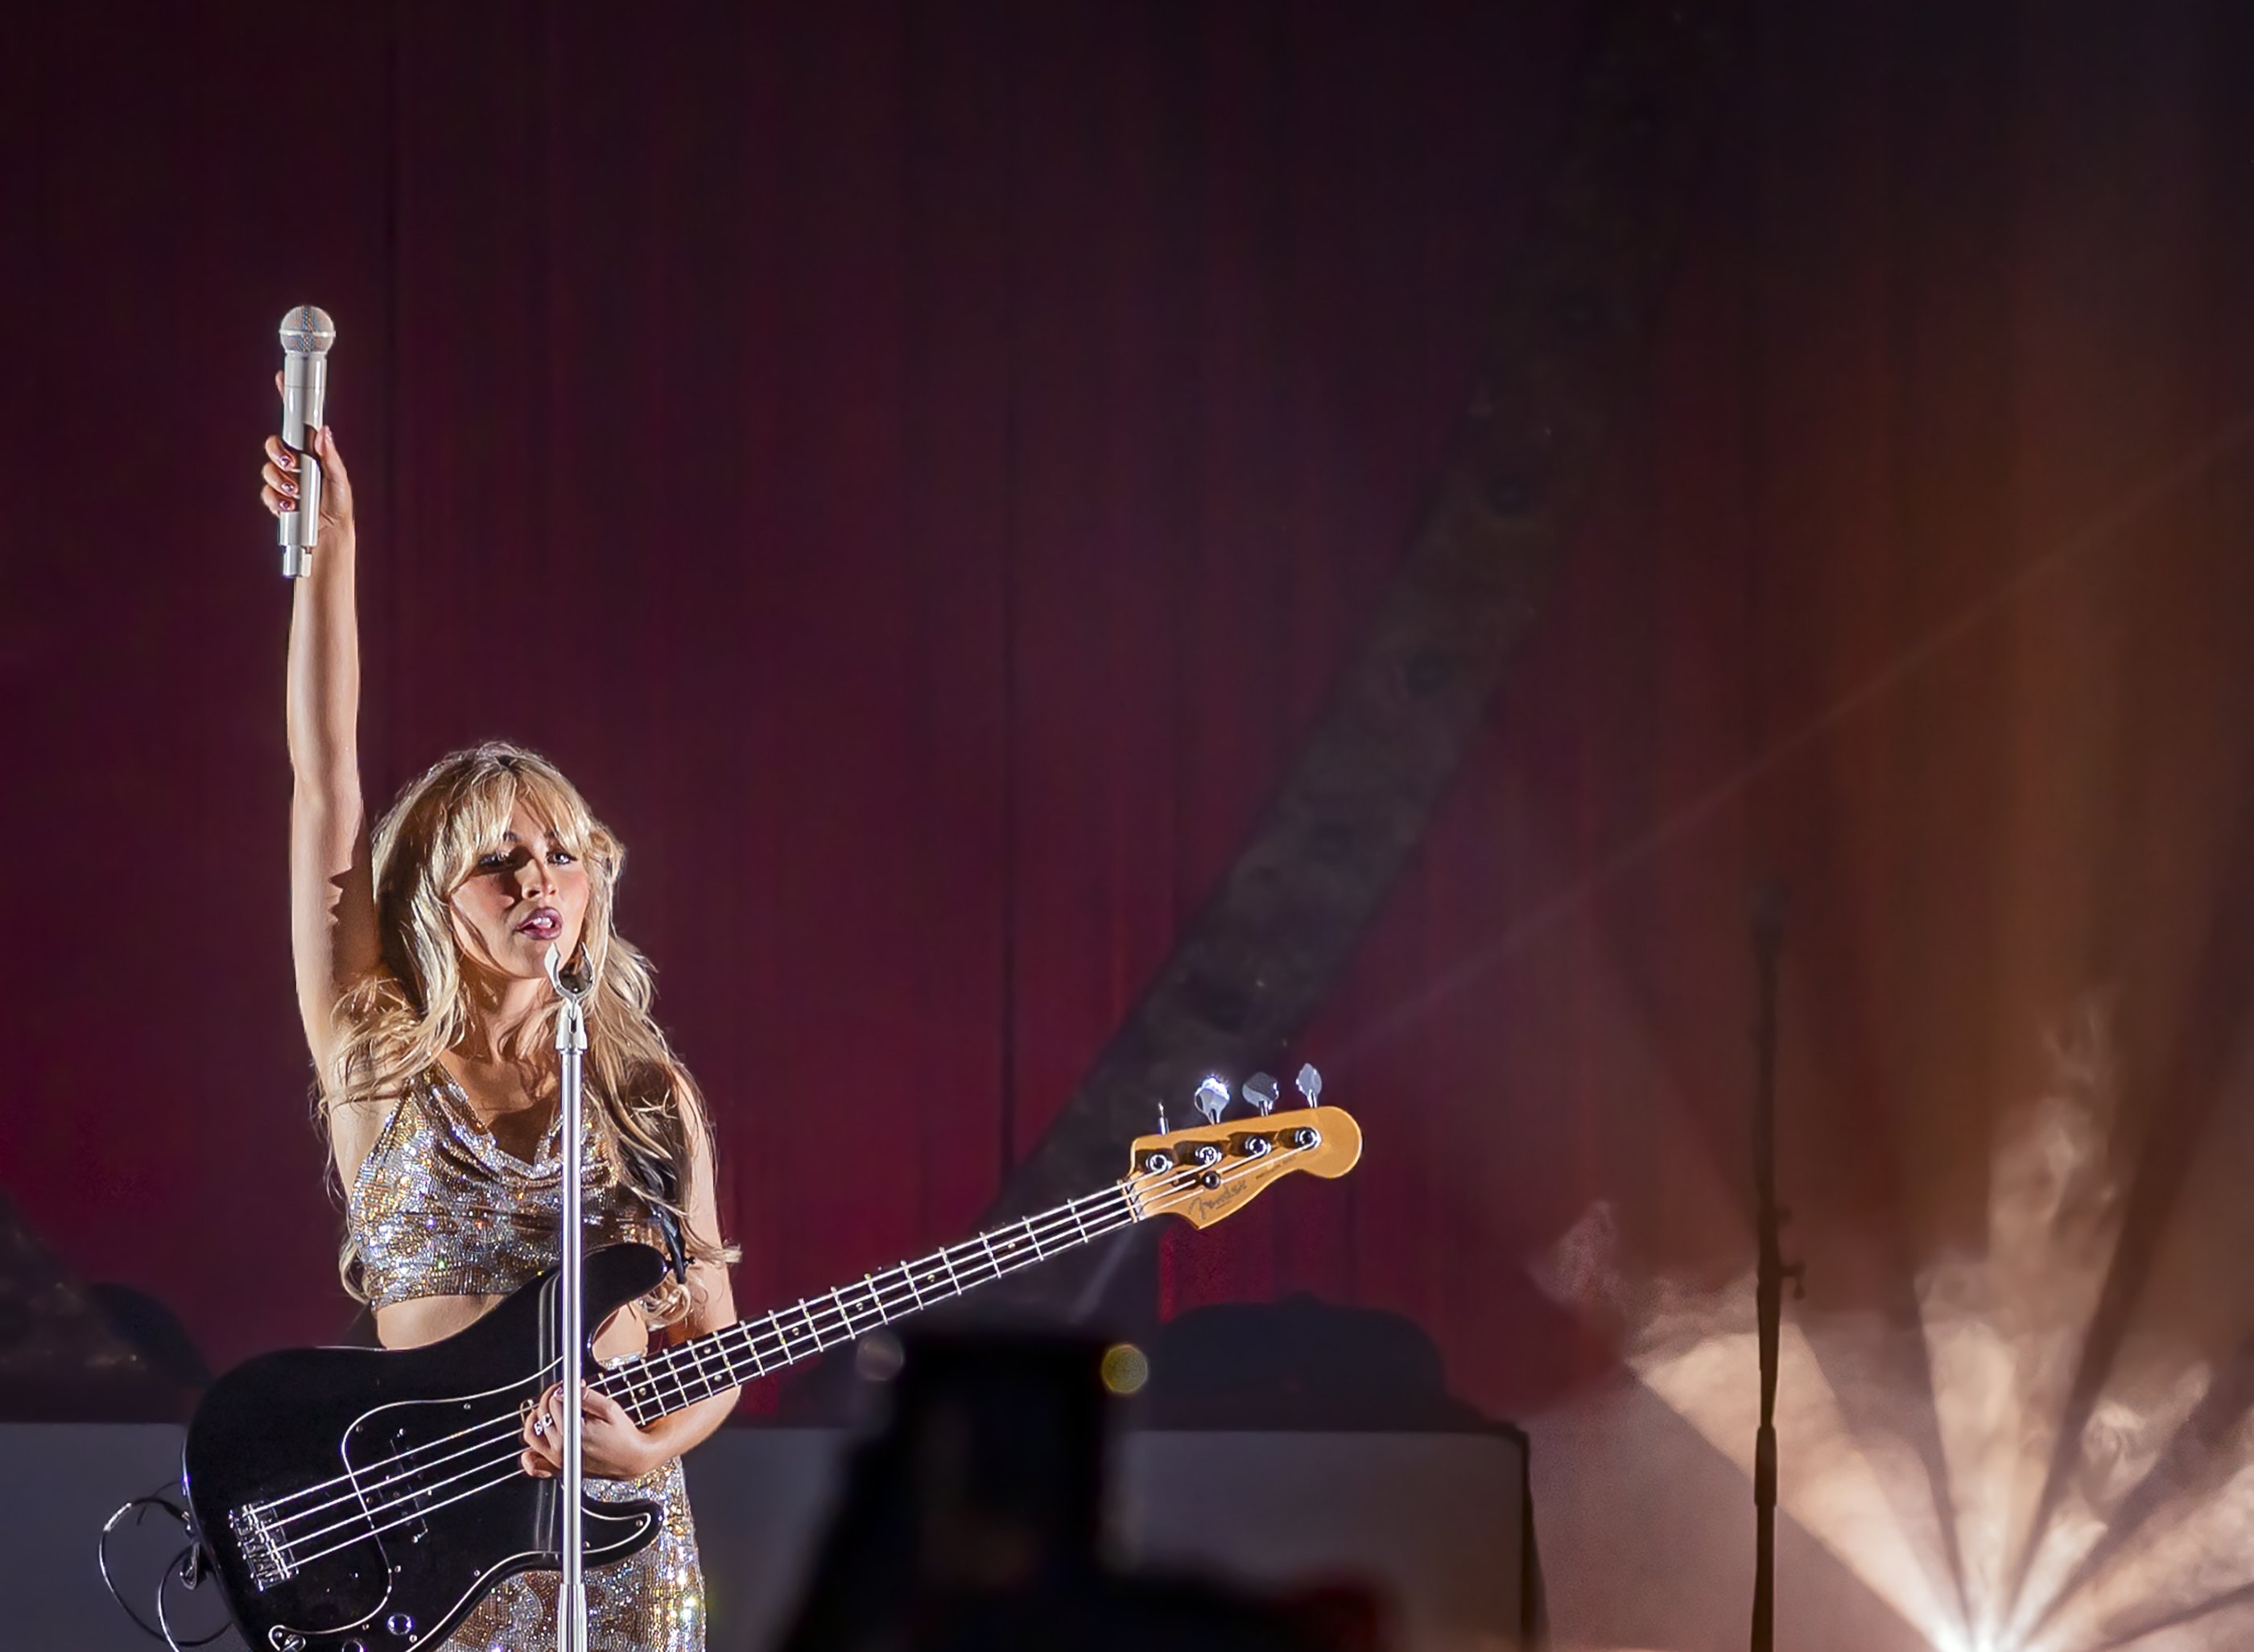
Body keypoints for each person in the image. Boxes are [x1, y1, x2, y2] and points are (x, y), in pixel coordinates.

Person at [261, 400, 740, 1650]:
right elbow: (325, 781)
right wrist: (334, 552)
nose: (541, 882)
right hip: (420, 1548)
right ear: (432, 895)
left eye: (564, 855)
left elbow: (718, 1349)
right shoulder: (375, 1053)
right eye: (501, 862)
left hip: (615, 1545)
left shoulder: (645, 1093)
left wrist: (647, 1447)